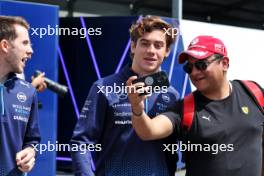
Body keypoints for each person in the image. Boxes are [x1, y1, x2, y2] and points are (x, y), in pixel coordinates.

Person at [127, 35, 264, 176]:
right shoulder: (185, 108)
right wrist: (137, 109)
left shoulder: (254, 92)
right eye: (189, 67)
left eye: (201, 65)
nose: (194, 72)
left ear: (224, 63)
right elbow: (148, 131)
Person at [70, 16, 180, 176]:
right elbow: (81, 142)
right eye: (145, 43)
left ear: (167, 51)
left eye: (158, 45)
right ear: (133, 46)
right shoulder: (103, 87)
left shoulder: (172, 96)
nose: (151, 50)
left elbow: (172, 152)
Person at [0, 16, 41, 175]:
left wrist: (30, 152)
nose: (30, 50)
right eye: (24, 43)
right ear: (5, 45)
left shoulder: (28, 91)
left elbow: (32, 140)